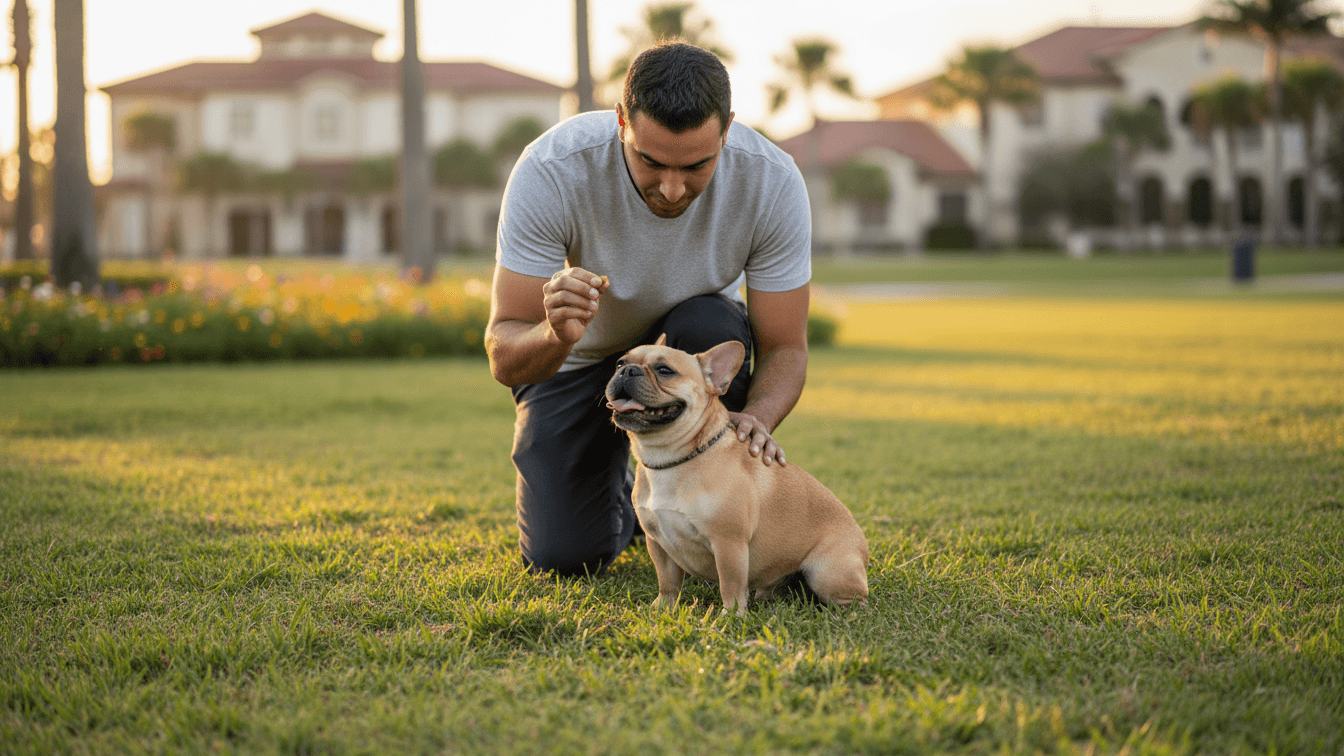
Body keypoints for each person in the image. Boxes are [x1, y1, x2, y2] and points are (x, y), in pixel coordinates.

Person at [486, 40, 812, 577]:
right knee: (564, 558)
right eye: (650, 161)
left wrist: (757, 417)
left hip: (684, 351)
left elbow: (786, 347)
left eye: (697, 165)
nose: (671, 187)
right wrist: (556, 334)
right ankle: (629, 492)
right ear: (620, 121)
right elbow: (505, 354)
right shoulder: (552, 169)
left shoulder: (771, 182)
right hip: (575, 363)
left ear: (727, 129)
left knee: (711, 320)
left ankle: (684, 491)